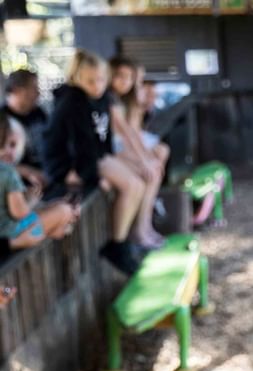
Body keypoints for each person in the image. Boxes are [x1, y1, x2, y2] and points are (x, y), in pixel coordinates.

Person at [43, 49, 145, 274]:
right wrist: (93, 178)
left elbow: (103, 136)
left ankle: (125, 240)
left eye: (101, 80)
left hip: (96, 157)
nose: (97, 85)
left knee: (137, 183)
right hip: (73, 165)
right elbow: (78, 144)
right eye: (90, 81)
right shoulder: (73, 102)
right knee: (131, 185)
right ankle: (117, 246)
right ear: (77, 78)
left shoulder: (100, 98)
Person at [107, 56, 165, 249]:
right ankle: (136, 233)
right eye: (120, 77)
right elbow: (125, 133)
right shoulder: (109, 98)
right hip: (111, 149)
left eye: (129, 78)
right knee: (147, 173)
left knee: (153, 169)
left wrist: (146, 159)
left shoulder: (120, 98)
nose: (126, 82)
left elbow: (131, 133)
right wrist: (143, 161)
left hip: (118, 148)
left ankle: (144, 226)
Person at [0, 111, 76, 246]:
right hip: (12, 233)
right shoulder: (7, 173)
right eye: (11, 144)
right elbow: (20, 213)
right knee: (64, 210)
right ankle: (53, 228)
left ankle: (55, 227)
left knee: (56, 209)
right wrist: (31, 200)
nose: (13, 151)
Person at [2, 69, 49, 190]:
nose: (38, 93)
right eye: (33, 88)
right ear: (17, 90)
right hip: (17, 186)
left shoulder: (39, 113)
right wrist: (25, 171)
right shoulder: (3, 119)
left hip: (46, 179)